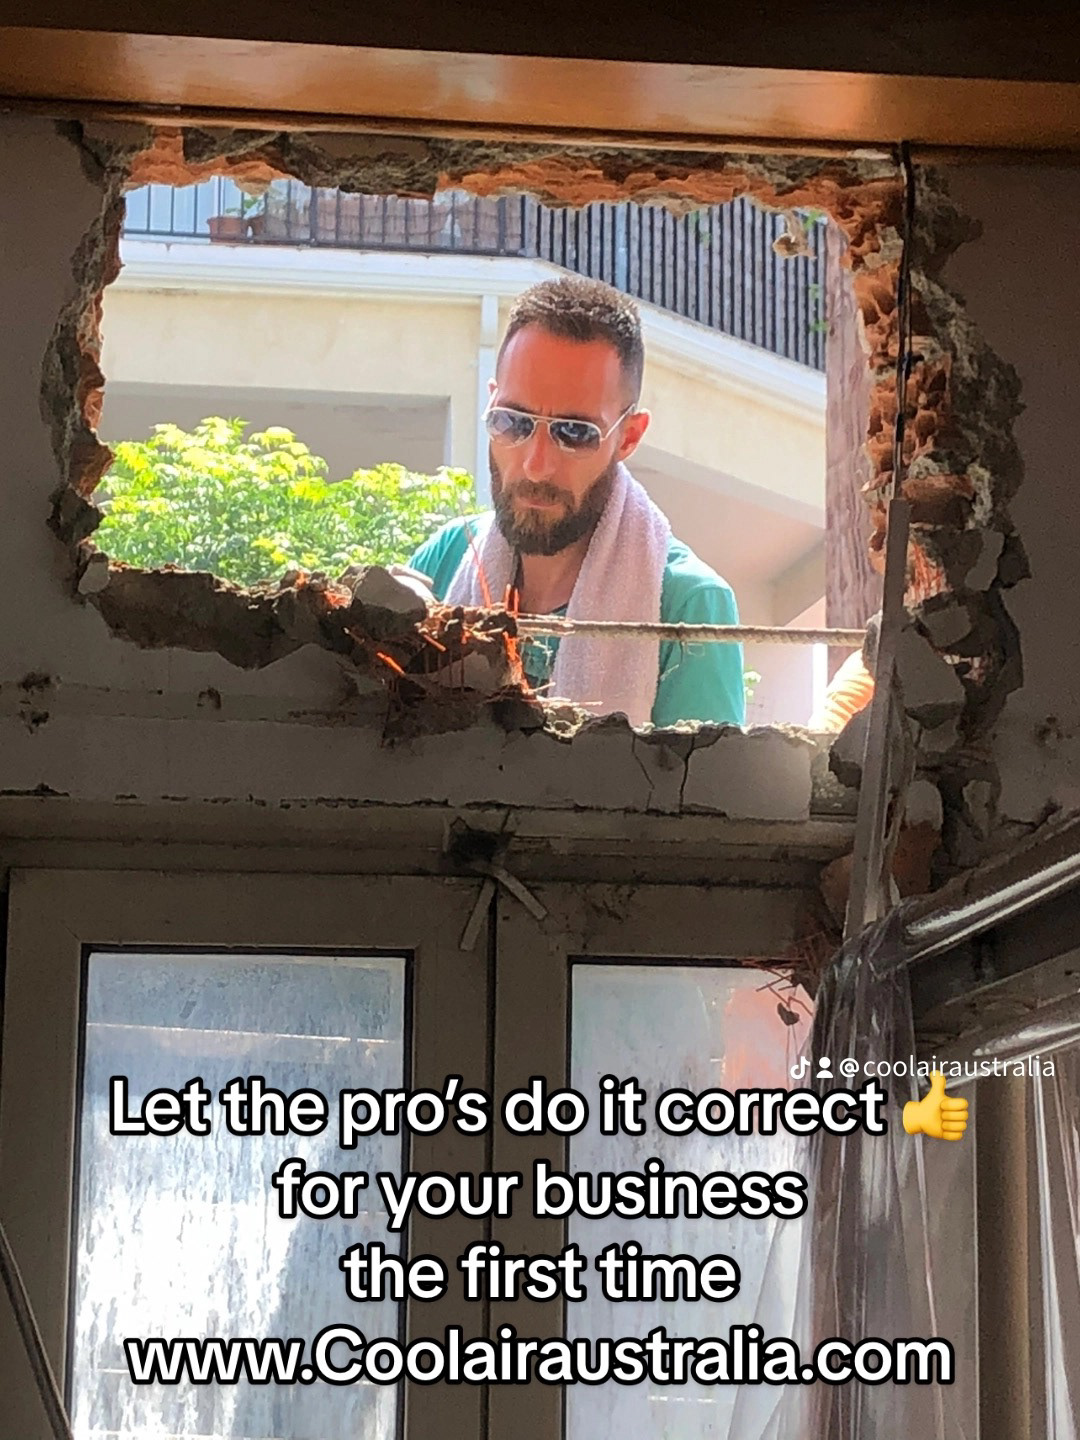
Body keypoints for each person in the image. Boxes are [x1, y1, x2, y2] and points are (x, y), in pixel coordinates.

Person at [409, 276, 745, 729]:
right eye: (513, 422)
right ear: (491, 404)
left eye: (574, 433)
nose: (535, 466)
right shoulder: (446, 559)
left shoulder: (688, 606)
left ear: (629, 437)